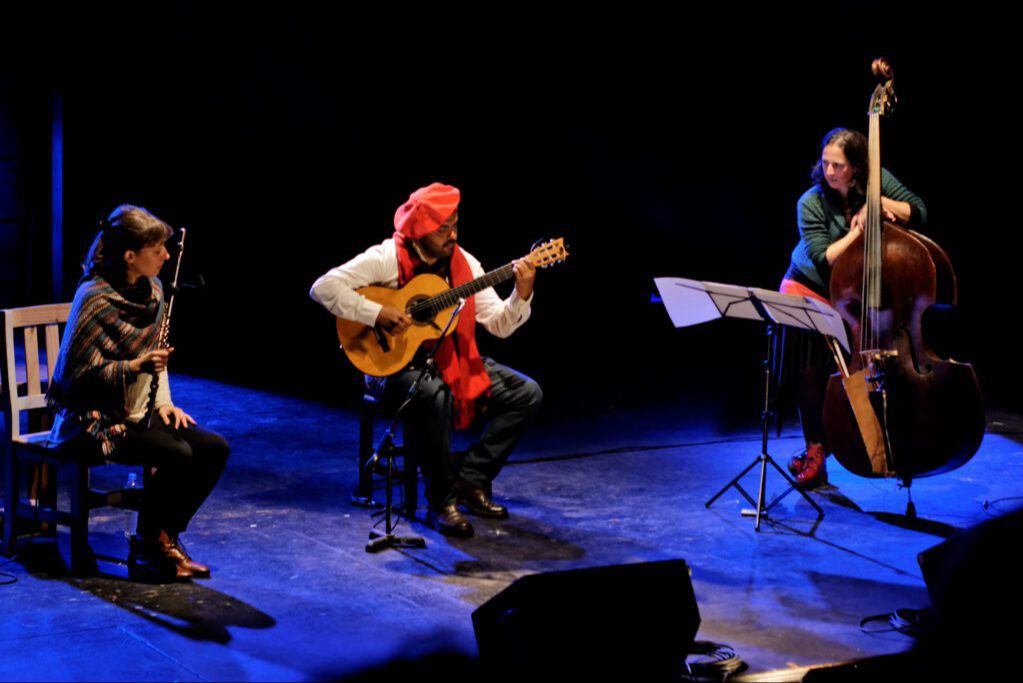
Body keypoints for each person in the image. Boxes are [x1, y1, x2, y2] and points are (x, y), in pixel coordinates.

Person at [311, 182, 543, 538]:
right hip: (387, 367)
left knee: (526, 393)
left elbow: (498, 323)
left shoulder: (465, 265)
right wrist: (376, 312)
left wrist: (521, 293)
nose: (452, 235)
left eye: (455, 225)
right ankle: (441, 503)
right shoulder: (386, 257)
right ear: (420, 229)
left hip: (449, 360)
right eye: (443, 229)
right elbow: (323, 288)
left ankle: (471, 478)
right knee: (434, 395)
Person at [47, 204, 230, 581]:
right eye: (157, 249)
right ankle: (150, 547)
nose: (166, 255)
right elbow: (71, 379)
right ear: (130, 256)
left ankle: (162, 536)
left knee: (213, 449)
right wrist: (133, 368)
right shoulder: (94, 297)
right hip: (90, 423)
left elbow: (156, 358)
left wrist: (164, 403)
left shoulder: (154, 291)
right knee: (178, 453)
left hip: (138, 414)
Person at [780, 128, 927, 487]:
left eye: (839, 165)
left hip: (856, 293)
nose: (830, 171)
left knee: (865, 363)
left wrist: (880, 204)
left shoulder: (877, 180)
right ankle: (816, 447)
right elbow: (825, 256)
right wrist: (858, 230)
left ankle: (886, 438)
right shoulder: (810, 202)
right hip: (810, 286)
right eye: (826, 163)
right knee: (810, 362)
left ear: (857, 167)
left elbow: (918, 211)